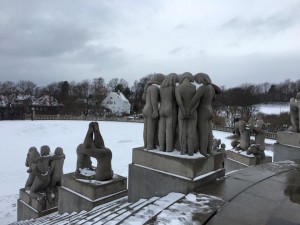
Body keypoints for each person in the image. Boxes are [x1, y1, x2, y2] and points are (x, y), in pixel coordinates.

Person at [187, 73, 220, 156]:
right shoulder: (211, 88)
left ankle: (203, 151)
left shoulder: (202, 88)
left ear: (200, 79)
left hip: (203, 112)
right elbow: (214, 98)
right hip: (210, 110)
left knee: (203, 133)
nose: (196, 81)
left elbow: (194, 99)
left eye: (197, 79)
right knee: (209, 133)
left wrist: (188, 109)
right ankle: (209, 150)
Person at [175, 72, 197, 155]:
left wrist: (183, 110)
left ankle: (183, 150)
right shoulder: (194, 87)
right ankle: (190, 151)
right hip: (193, 112)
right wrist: (192, 109)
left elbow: (179, 101)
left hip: (181, 112)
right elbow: (196, 101)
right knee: (191, 133)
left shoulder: (178, 88)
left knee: (182, 132)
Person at [142, 73, 165, 150]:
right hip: (151, 110)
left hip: (145, 109)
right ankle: (150, 146)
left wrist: (145, 89)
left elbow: (144, 98)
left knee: (146, 129)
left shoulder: (149, 88)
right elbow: (154, 100)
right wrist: (155, 111)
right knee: (151, 129)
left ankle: (145, 144)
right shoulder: (154, 88)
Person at [158, 73, 179, 152]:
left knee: (161, 130)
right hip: (170, 109)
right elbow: (177, 99)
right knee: (169, 130)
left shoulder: (161, 88)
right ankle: (169, 148)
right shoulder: (174, 87)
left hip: (162, 109)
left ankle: (161, 147)